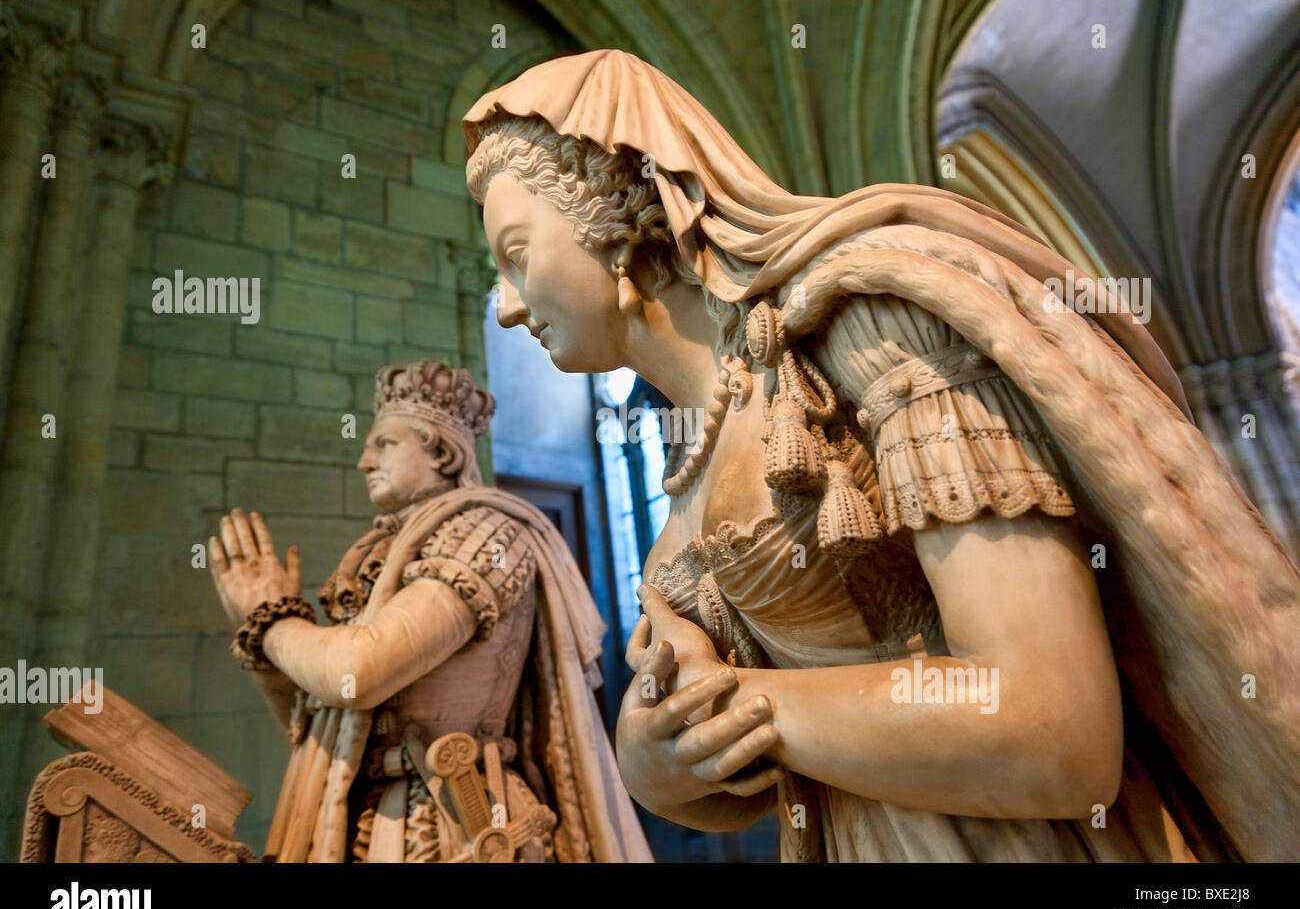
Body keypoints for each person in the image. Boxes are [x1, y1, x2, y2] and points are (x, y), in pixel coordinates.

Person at [461, 49, 1300, 861]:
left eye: (515, 256)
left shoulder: (866, 337)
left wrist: (752, 705)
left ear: (607, 220)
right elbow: (705, 776)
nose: (504, 307)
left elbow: (1056, 729)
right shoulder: (683, 496)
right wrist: (654, 762)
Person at [207, 359, 651, 862]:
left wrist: (273, 621)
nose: (364, 461)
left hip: (460, 817)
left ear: (440, 451)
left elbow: (359, 669)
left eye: (384, 444)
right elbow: (318, 718)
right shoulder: (390, 553)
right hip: (376, 818)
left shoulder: (486, 532)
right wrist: (266, 639)